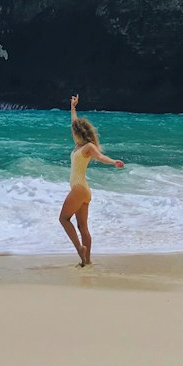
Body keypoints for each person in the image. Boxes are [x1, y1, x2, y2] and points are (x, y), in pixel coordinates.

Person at [60, 94, 124, 266]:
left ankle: (80, 249)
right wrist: (73, 107)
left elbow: (100, 157)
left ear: (77, 134)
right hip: (83, 190)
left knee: (63, 219)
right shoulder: (78, 146)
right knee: (82, 228)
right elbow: (75, 122)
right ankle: (86, 262)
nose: (72, 133)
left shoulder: (88, 147)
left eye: (73, 131)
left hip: (80, 188)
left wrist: (113, 162)